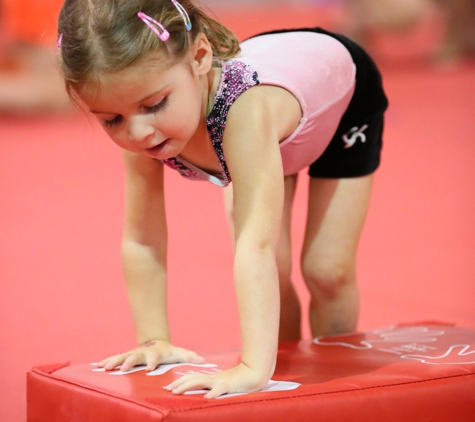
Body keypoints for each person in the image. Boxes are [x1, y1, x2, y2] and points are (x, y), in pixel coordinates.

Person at [57, 0, 388, 398]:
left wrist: (250, 367)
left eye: (154, 105)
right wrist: (154, 340)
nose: (139, 133)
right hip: (270, 126)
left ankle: (341, 383)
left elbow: (255, 247)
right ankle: (288, 379)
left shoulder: (243, 114)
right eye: (111, 120)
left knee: (326, 271)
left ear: (199, 57)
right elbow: (143, 239)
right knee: (276, 275)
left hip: (341, 100)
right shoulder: (142, 120)